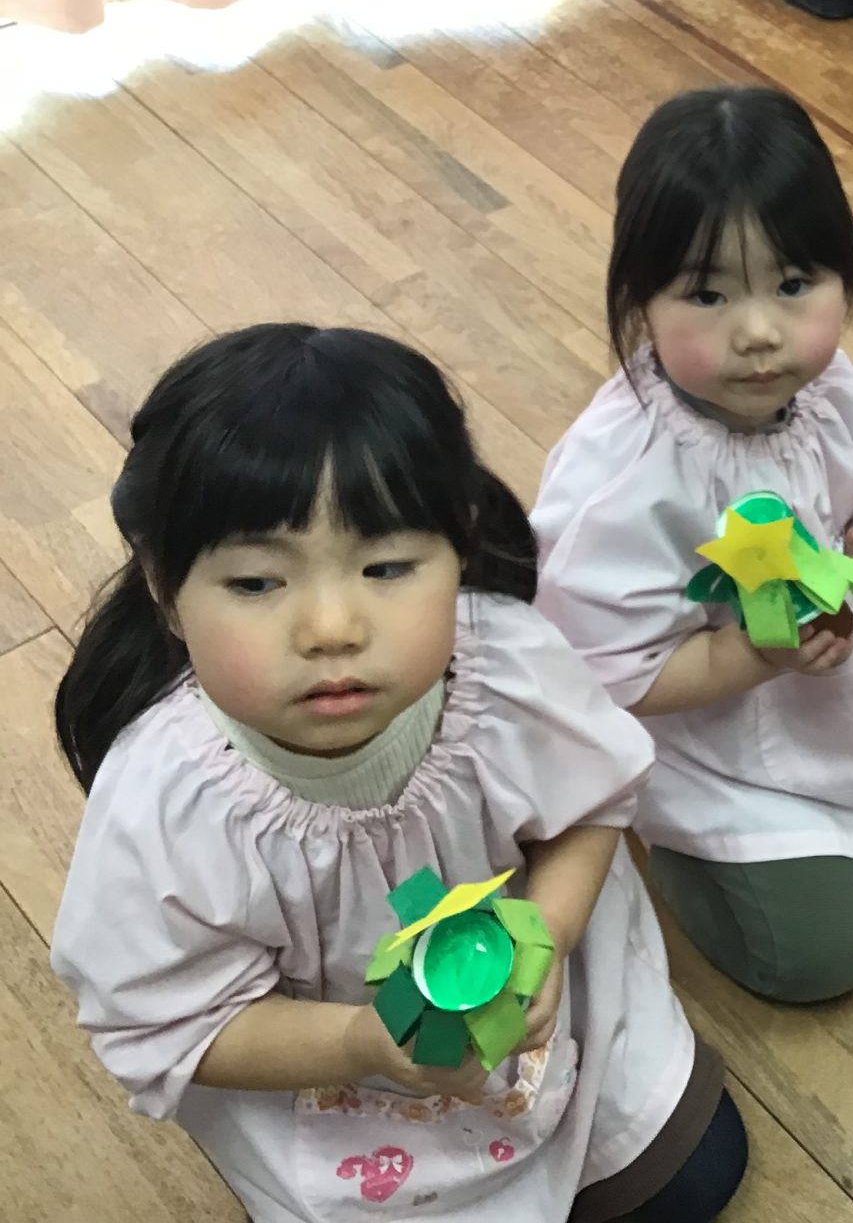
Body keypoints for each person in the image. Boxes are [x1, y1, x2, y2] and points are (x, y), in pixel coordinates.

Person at [49, 325, 745, 1223]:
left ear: (459, 548)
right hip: (337, 1081)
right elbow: (177, 1022)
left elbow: (591, 804)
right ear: (163, 589)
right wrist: (362, 1041)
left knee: (697, 1178)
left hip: (548, 1016)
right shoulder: (168, 804)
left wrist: (548, 935)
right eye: (257, 584)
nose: (332, 629)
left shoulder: (503, 669)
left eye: (385, 568)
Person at [531, 86, 853, 1006]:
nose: (758, 333)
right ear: (640, 301)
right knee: (822, 960)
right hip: (712, 732)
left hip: (849, 672)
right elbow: (604, 677)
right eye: (708, 294)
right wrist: (754, 656)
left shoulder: (838, 397)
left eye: (794, 285)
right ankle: (682, 850)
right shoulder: (622, 483)